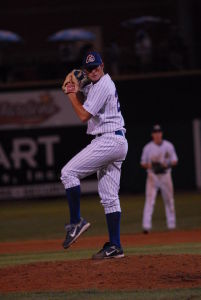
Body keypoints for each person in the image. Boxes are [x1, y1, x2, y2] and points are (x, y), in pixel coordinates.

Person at [60, 51, 128, 259]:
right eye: (89, 68)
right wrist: (78, 90)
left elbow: (82, 115)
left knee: (68, 173)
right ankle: (115, 246)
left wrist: (70, 94)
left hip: (108, 140)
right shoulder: (96, 85)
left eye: (96, 66)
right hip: (117, 140)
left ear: (103, 65)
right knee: (109, 198)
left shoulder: (103, 84)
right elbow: (86, 101)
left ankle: (76, 222)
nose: (93, 70)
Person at [141, 124, 178, 233]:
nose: (157, 134)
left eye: (159, 132)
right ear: (152, 134)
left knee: (169, 200)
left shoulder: (168, 146)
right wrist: (152, 166)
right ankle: (146, 227)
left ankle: (171, 225)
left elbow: (175, 160)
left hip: (166, 175)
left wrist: (167, 165)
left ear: (161, 133)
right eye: (155, 132)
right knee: (149, 201)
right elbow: (143, 163)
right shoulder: (148, 148)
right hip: (152, 176)